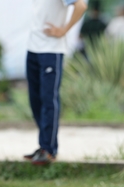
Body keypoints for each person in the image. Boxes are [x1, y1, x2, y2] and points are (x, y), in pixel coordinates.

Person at [24, 0, 87, 165]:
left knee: (48, 99)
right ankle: (43, 145)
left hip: (51, 51)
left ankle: (49, 149)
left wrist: (63, 30)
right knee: (35, 100)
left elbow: (81, 6)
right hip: (32, 48)